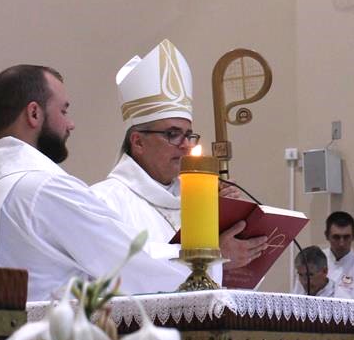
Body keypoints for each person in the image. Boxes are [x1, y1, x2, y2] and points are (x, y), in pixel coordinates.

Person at [0, 65, 188, 301]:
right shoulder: (45, 187)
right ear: (34, 113)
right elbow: (130, 263)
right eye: (64, 111)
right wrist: (207, 259)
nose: (71, 124)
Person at [91, 39, 268, 273]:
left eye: (189, 135)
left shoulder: (198, 198)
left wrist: (229, 217)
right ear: (138, 142)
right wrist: (213, 257)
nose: (185, 146)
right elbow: (126, 271)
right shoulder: (103, 202)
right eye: (172, 134)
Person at [290, 211, 354, 299]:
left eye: (346, 237)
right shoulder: (311, 260)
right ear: (327, 235)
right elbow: (296, 296)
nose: (341, 243)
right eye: (336, 237)